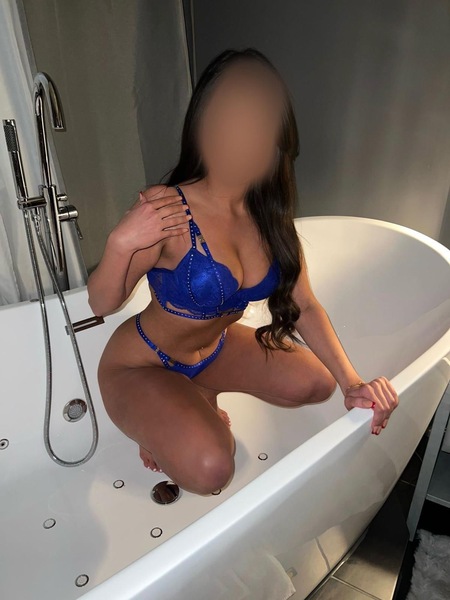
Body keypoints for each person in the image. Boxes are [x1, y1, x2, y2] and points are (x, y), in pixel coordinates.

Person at [87, 48, 398, 496]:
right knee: (213, 469)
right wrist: (120, 243)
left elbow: (305, 305)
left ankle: (199, 391)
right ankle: (154, 417)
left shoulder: (269, 218)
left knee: (317, 382)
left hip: (214, 351)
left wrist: (354, 383)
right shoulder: (168, 206)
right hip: (142, 362)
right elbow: (101, 303)